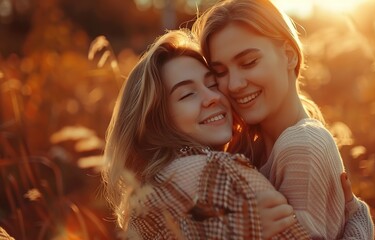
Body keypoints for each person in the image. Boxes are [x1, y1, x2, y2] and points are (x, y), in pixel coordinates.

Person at [101, 29, 312, 239]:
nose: (212, 97)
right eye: (187, 95)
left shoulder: (146, 193)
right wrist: (347, 214)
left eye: (212, 84)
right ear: (156, 119)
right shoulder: (219, 171)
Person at [192, 0, 375, 239]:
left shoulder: (300, 144)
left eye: (249, 62)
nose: (234, 84)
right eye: (221, 72)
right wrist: (357, 217)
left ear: (289, 56)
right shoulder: (254, 149)